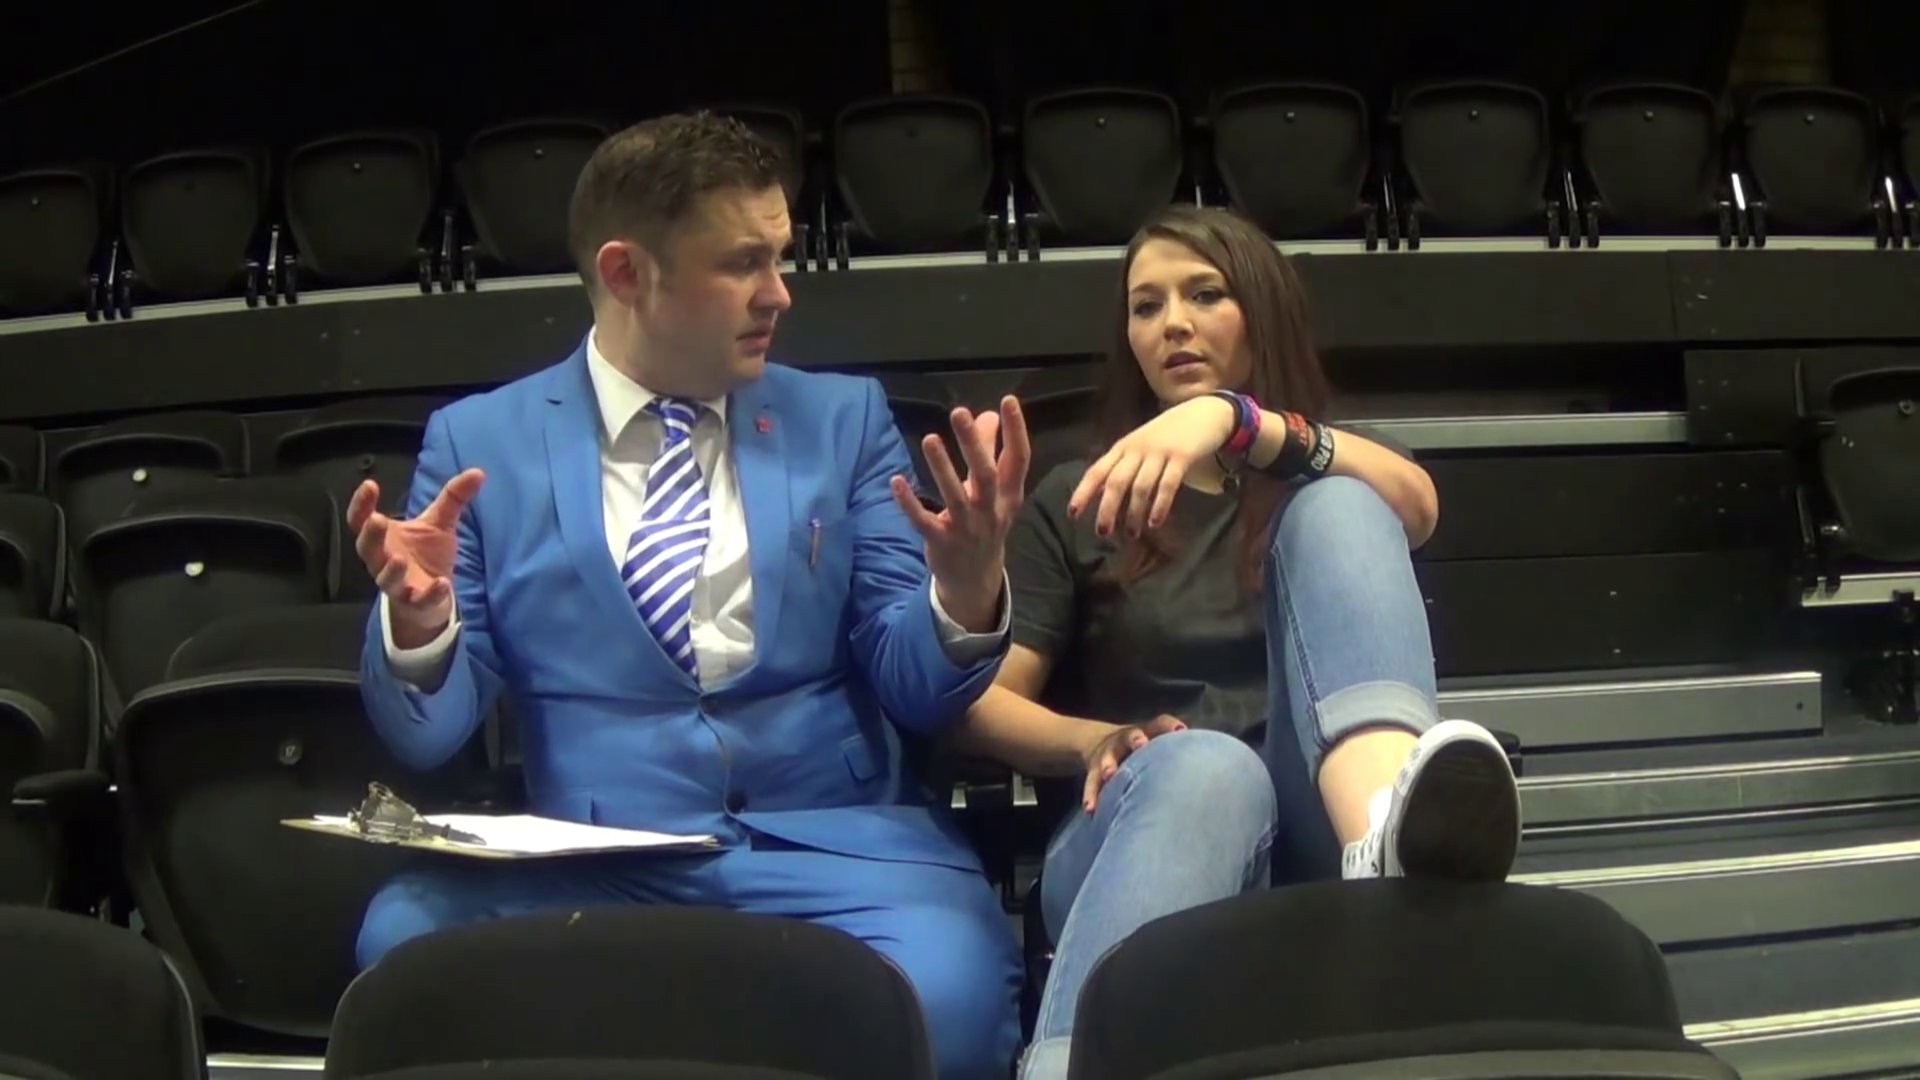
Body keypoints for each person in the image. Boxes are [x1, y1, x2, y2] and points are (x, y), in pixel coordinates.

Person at [345, 112, 1026, 1080]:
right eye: (744, 263)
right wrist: (421, 628)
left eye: (780, 256)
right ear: (627, 273)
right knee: (402, 946)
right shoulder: (480, 443)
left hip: (833, 855)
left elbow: (916, 688)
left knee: (947, 1000)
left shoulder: (843, 419)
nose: (779, 292)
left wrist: (964, 589)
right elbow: (426, 737)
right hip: (591, 858)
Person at [946, 204, 1523, 1079]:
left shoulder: (1329, 469)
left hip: (1317, 826)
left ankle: (1381, 834)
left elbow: (1418, 505)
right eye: (1146, 306)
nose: (1172, 323)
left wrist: (1239, 423)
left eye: (1205, 294)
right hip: (1144, 823)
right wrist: (1097, 740)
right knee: (1212, 768)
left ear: (1262, 310)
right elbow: (981, 706)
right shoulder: (1080, 495)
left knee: (1341, 500)